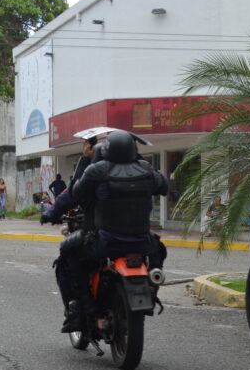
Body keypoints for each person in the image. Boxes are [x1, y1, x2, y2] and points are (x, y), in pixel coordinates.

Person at [57, 130, 168, 333]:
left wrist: (85, 160)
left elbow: (77, 193)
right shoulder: (145, 169)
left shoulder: (97, 170)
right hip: (142, 242)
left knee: (67, 253)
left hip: (105, 242)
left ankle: (82, 307)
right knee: (159, 250)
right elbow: (164, 187)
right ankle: (151, 291)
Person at [41, 136, 98, 225]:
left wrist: (86, 158)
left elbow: (71, 194)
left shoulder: (93, 171)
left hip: (97, 228)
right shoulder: (121, 173)